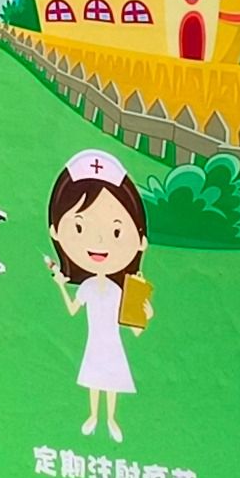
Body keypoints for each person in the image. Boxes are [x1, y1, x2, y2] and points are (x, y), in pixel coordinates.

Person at [47, 150, 148, 440]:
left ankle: (112, 419)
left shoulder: (121, 289)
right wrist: (60, 284)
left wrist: (144, 310)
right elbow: (72, 310)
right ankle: (93, 416)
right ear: (56, 232)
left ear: (140, 241)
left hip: (113, 344)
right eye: (79, 228)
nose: (100, 241)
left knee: (111, 382)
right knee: (94, 381)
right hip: (94, 343)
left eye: (117, 232)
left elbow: (136, 329)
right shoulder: (88, 287)